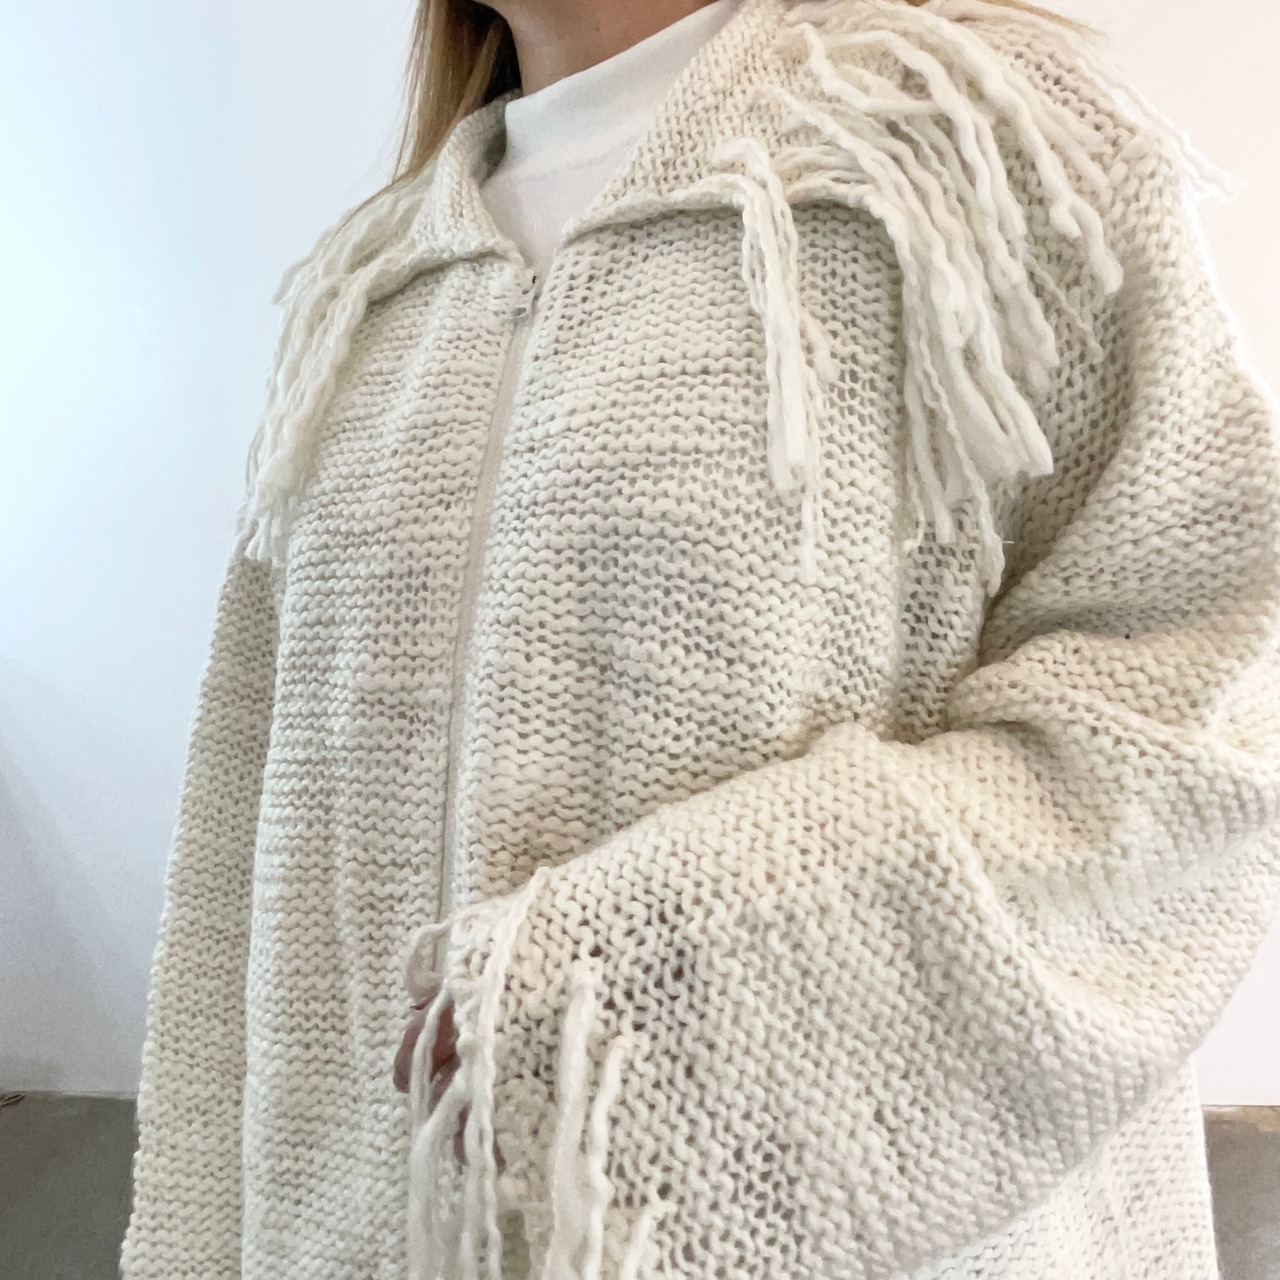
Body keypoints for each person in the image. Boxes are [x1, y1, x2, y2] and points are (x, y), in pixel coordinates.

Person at [121, 0, 1280, 1277]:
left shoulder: (968, 152)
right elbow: (243, 862)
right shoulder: (373, 284)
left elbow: (1194, 727)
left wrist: (642, 976)